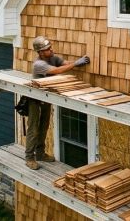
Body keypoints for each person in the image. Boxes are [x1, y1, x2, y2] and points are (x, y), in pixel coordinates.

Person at [25, 36, 90, 170]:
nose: (51, 50)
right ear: (41, 52)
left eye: (50, 47)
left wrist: (78, 62)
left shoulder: (53, 58)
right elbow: (56, 70)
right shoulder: (39, 65)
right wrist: (76, 63)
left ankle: (40, 153)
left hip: (47, 97)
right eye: (48, 49)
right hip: (35, 99)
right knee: (33, 128)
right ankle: (29, 157)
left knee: (44, 126)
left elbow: (64, 63)